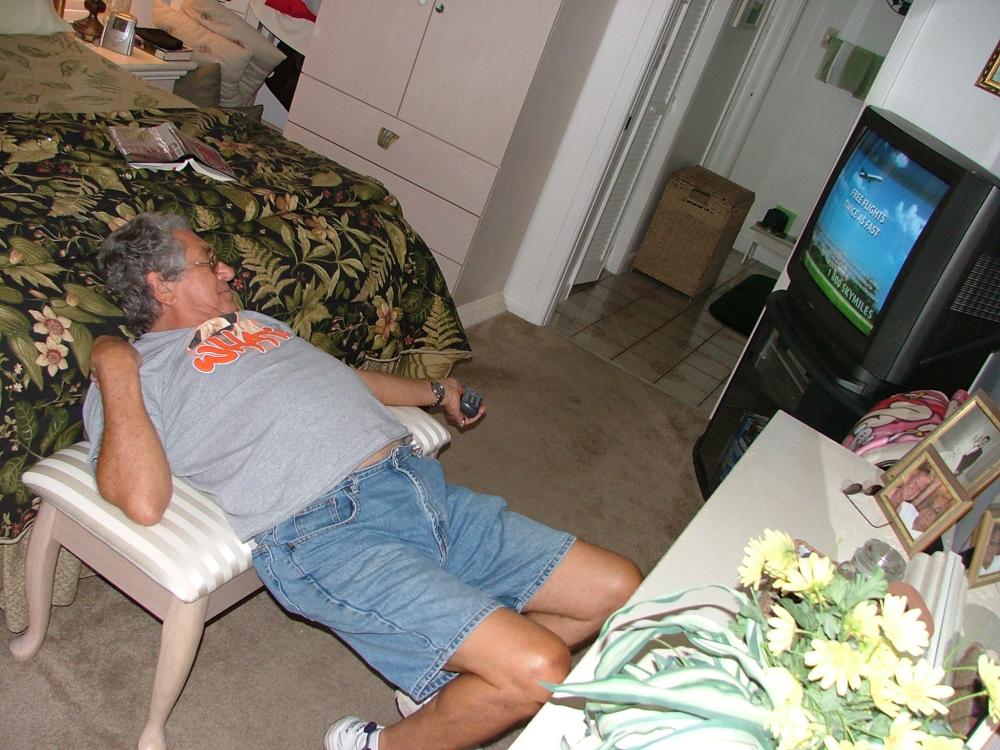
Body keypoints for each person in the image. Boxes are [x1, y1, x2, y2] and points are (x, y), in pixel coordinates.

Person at [84, 213, 643, 750]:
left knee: (617, 589)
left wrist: (437, 391)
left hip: (418, 487)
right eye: (209, 262)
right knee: (538, 667)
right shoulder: (142, 371)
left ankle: (450, 691)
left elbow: (346, 379)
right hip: (330, 533)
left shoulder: (258, 324)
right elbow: (143, 500)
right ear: (161, 285)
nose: (228, 269)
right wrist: (115, 364)